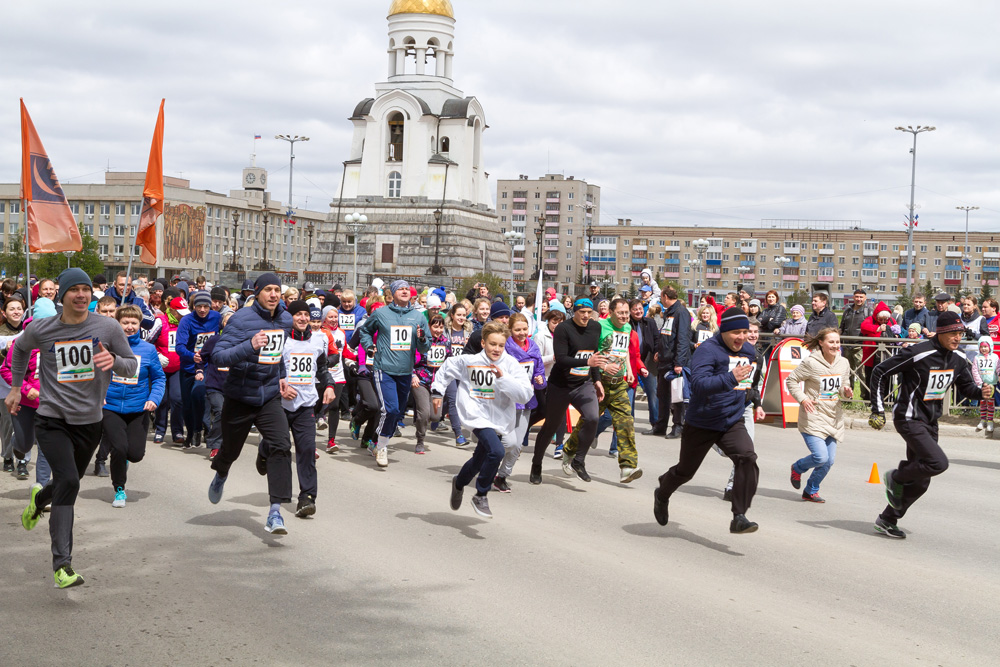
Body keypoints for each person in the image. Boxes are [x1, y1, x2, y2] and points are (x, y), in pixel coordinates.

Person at [10, 268, 137, 588]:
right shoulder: (43, 328)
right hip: (52, 419)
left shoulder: (107, 327)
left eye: (85, 289)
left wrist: (113, 361)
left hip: (90, 422)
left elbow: (131, 363)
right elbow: (20, 349)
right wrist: (15, 388)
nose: (81, 294)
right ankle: (62, 566)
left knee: (67, 482)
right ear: (62, 295)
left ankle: (39, 501)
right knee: (69, 481)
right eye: (74, 290)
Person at [868, 310, 989, 539]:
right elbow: (880, 372)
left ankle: (887, 519)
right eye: (953, 333)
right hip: (909, 418)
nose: (957, 338)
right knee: (938, 462)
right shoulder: (918, 352)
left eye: (960, 333)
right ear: (941, 332)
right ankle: (896, 476)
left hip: (931, 422)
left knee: (922, 482)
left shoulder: (959, 358)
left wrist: (981, 393)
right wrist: (878, 409)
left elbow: (966, 389)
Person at [653, 307, 760, 534]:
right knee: (685, 472)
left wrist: (754, 399)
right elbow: (699, 385)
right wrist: (730, 378)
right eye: (736, 333)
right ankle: (663, 491)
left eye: (745, 332)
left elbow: (752, 380)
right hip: (702, 422)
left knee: (747, 457)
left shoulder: (748, 351)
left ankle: (739, 516)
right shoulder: (707, 351)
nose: (741, 337)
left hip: (731, 420)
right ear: (723, 331)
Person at [207, 273, 295, 536]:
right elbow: (218, 356)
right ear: (257, 293)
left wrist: (281, 377)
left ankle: (275, 512)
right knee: (230, 451)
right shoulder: (241, 320)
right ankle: (221, 473)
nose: (274, 294)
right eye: (268, 289)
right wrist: (249, 344)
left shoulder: (285, 319)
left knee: (281, 446)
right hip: (240, 396)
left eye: (277, 290)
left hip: (268, 395)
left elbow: (276, 354)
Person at [434, 321, 533, 518]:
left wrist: (503, 378)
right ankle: (481, 495)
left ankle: (459, 482)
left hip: (499, 419)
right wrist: (437, 392)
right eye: (492, 344)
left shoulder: (511, 365)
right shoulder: (470, 361)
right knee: (496, 452)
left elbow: (525, 395)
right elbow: (447, 368)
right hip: (476, 416)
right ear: (483, 343)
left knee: (479, 460)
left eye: (501, 345)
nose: (496, 349)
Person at [268, 300, 336, 517]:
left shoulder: (317, 341)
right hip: (279, 405)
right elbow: (267, 369)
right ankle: (263, 451)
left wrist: (330, 385)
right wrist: (280, 388)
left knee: (306, 450)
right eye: (298, 314)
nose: (303, 318)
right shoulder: (280, 340)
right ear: (290, 317)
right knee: (278, 446)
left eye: (306, 315)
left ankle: (307, 497)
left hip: (305, 405)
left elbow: (322, 367)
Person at [528, 298, 605, 484]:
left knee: (593, 417)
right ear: (575, 312)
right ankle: (536, 464)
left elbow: (593, 355)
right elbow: (561, 359)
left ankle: (579, 460)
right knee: (550, 427)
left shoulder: (595, 328)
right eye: (582, 312)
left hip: (583, 384)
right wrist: (587, 362)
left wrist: (598, 381)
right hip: (560, 385)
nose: (586, 315)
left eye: (589, 312)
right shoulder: (563, 329)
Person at [357, 279, 431, 468]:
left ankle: (376, 440)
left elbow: (425, 346)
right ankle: (381, 446)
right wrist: (369, 346)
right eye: (401, 289)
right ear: (393, 293)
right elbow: (364, 331)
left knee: (397, 412)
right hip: (384, 369)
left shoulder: (418, 316)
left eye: (408, 289)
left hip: (405, 371)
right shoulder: (381, 313)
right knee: (389, 409)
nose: (405, 291)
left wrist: (422, 338)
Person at [568, 298, 642, 483]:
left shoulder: (627, 328)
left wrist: (630, 371)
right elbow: (591, 353)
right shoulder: (599, 326)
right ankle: (569, 451)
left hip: (618, 384)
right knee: (588, 422)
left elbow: (622, 351)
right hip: (598, 383)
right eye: (621, 313)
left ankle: (627, 467)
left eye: (627, 313)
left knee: (625, 422)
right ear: (610, 312)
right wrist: (604, 368)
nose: (625, 316)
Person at [101, 305, 165, 508]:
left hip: (138, 408)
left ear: (139, 325)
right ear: (117, 325)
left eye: (133, 323)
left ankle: (124, 460)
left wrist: (154, 398)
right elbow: (92, 374)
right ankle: (119, 489)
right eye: (125, 323)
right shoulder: (107, 347)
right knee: (119, 448)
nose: (129, 327)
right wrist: (97, 395)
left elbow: (159, 378)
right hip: (110, 407)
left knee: (135, 454)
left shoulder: (148, 350)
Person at [785, 328, 852, 503]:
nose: (835, 346)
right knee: (821, 457)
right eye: (831, 342)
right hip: (813, 415)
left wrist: (847, 392)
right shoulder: (811, 362)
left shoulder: (844, 362)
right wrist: (803, 399)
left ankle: (811, 490)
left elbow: (844, 386)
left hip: (833, 416)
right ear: (821, 343)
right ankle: (798, 467)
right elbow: (791, 380)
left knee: (829, 461)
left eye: (837, 342)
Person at [1, 298, 57, 484]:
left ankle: (41, 488)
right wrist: (26, 389)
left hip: (51, 403)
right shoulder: (22, 342)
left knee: (46, 448)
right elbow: (5, 369)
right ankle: (18, 443)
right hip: (26, 402)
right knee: (25, 444)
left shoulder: (61, 341)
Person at [495, 313, 545, 491]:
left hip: (526, 401)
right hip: (507, 401)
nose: (522, 333)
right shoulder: (505, 348)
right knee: (510, 443)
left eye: (525, 329)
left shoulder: (533, 346)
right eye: (517, 330)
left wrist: (539, 379)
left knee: (518, 445)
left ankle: (501, 476)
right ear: (510, 330)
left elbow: (539, 370)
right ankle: (487, 456)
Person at [175, 290, 221, 449]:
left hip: (208, 366)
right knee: (187, 404)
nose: (202, 310)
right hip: (188, 366)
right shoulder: (186, 321)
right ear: (193, 306)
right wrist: (191, 355)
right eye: (199, 306)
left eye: (206, 306)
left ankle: (205, 429)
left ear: (211, 306)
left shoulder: (216, 317)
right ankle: (192, 432)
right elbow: (179, 347)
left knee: (200, 395)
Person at [646, 286, 690, 438]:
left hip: (674, 363)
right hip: (664, 361)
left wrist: (679, 363)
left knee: (676, 397)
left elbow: (683, 339)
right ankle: (660, 426)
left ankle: (678, 426)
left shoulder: (681, 312)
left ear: (665, 296)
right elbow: (666, 336)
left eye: (661, 297)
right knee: (662, 395)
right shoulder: (668, 313)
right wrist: (659, 352)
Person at [411, 313, 450, 454]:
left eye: (441, 327)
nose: (438, 330)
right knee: (424, 414)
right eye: (435, 326)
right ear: (429, 326)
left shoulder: (446, 342)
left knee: (435, 416)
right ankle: (420, 440)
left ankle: (422, 414)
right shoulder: (421, 341)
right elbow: (409, 359)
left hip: (437, 383)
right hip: (420, 381)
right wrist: (412, 375)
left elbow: (450, 362)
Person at [197, 311, 233, 460]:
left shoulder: (242, 341)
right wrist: (199, 370)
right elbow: (200, 357)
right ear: (222, 324)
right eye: (227, 321)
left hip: (233, 387)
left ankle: (227, 445)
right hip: (215, 385)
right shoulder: (213, 341)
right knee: (220, 411)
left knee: (230, 417)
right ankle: (215, 445)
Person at [153, 296, 185, 445]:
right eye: (180, 312)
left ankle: (177, 430)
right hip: (161, 368)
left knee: (177, 398)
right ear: (172, 310)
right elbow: (147, 342)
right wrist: (157, 355)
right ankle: (160, 430)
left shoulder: (185, 322)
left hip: (178, 367)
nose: (183, 315)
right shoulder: (160, 322)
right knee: (162, 399)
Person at [628, 298, 659, 431]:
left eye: (640, 308)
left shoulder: (650, 322)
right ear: (630, 311)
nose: (638, 311)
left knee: (653, 392)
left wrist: (657, 351)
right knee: (630, 394)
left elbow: (657, 339)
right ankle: (629, 423)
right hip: (630, 363)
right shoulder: (626, 323)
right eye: (635, 309)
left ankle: (655, 423)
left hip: (647, 362)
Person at [860, 302, 899, 401]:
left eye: (885, 320)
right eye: (880, 319)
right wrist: (877, 329)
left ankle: (886, 399)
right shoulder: (870, 319)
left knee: (887, 378)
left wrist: (897, 335)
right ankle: (869, 400)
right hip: (871, 354)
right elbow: (864, 327)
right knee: (870, 378)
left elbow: (899, 330)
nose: (883, 321)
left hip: (887, 355)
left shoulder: (892, 320)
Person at [839, 288, 874, 400]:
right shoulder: (847, 311)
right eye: (856, 297)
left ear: (865, 298)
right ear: (853, 297)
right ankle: (847, 398)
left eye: (861, 297)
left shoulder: (868, 311)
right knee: (847, 374)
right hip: (847, 346)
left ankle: (865, 399)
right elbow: (842, 327)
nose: (858, 299)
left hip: (860, 347)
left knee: (862, 374)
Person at [972, 336, 998, 434]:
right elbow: (974, 370)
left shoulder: (994, 357)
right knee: (982, 403)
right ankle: (983, 420)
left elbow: (998, 368)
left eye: (985, 347)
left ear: (990, 346)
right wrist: (980, 382)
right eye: (981, 347)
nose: (983, 349)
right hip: (982, 385)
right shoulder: (977, 358)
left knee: (990, 403)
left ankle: (990, 421)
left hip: (992, 383)